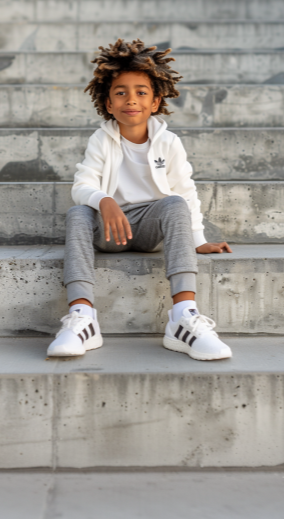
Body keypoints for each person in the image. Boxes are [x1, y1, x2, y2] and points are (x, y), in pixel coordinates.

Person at [47, 38, 233, 361]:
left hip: (148, 227)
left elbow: (185, 189)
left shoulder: (169, 143)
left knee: (175, 203)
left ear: (155, 100)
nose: (130, 100)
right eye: (120, 92)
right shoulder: (101, 140)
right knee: (78, 213)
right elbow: (82, 184)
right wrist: (104, 201)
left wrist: (198, 239)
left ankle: (183, 317)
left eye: (141, 92)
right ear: (107, 103)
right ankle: (82, 318)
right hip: (109, 227)